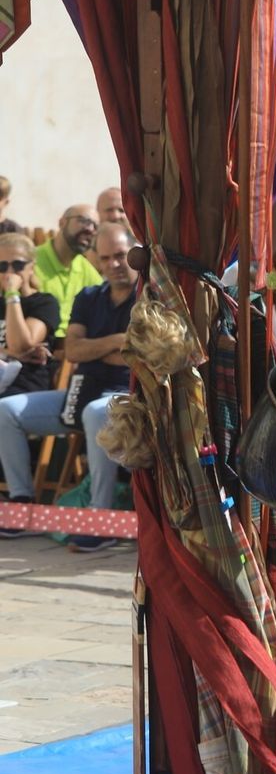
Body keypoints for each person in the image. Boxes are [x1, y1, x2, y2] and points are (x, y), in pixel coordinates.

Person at [0, 224, 135, 550]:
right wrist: (117, 342)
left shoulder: (148, 295)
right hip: (81, 391)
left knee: (94, 413)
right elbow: (73, 350)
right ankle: (22, 501)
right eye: (105, 258)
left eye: (120, 256)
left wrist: (100, 348)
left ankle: (100, 519)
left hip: (129, 396)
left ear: (134, 255)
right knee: (5, 411)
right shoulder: (89, 297)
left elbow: (137, 357)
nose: (113, 264)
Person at [0, 233, 61, 394]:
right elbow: (17, 351)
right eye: (2, 266)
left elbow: (20, 344)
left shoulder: (44, 302)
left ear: (31, 267)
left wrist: (12, 294)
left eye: (18, 265)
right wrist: (10, 353)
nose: (9, 272)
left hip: (24, 383)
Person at [34, 205, 103, 341]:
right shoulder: (30, 261)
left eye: (95, 226)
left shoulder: (89, 273)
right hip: (36, 345)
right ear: (62, 222)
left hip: (72, 350)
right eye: (84, 220)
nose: (90, 229)